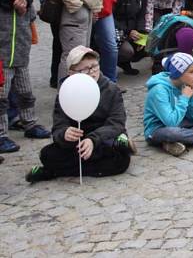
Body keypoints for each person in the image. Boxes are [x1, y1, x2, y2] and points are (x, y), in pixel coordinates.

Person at [25, 46, 134, 183]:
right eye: (85, 70)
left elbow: (117, 123)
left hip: (101, 140)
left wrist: (93, 140)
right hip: (77, 144)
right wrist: (65, 133)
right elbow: (58, 127)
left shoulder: (111, 89)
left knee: (121, 161)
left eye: (94, 66)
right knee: (47, 154)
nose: (92, 72)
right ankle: (57, 169)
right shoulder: (66, 93)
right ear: (72, 73)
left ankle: (53, 171)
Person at [0, 0, 50, 154]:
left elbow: (30, 19)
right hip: (2, 58)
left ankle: (29, 123)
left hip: (21, 56)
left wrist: (24, 7)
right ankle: (2, 134)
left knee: (26, 93)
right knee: (2, 98)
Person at [114, 0, 152, 75]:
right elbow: (111, 16)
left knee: (148, 44)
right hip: (118, 29)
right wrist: (129, 31)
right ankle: (121, 61)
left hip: (133, 28)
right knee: (127, 51)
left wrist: (141, 33)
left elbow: (141, 15)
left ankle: (129, 60)